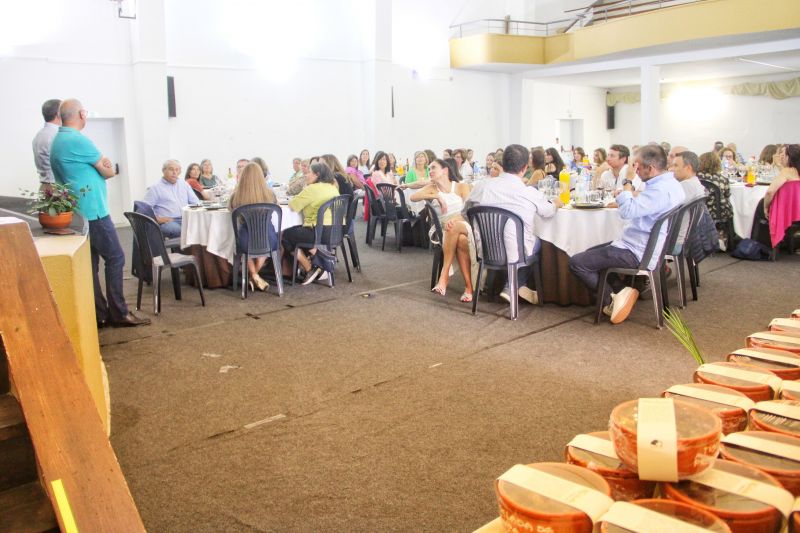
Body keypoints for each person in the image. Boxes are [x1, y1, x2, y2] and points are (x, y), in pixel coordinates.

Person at [50, 98, 150, 327]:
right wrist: (104, 166)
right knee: (116, 257)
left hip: (77, 212)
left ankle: (100, 313)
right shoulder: (77, 140)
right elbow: (109, 171)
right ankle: (119, 312)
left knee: (91, 264)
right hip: (93, 212)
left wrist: (102, 165)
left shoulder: (58, 140)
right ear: (81, 115)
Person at [569, 145, 685, 324]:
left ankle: (610, 300)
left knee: (577, 263)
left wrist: (627, 182)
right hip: (646, 245)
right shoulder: (671, 185)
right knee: (591, 254)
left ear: (651, 168)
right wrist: (634, 194)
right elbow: (650, 203)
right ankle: (622, 292)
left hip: (637, 251)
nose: (635, 170)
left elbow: (627, 212)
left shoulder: (659, 190)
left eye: (637, 166)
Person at [467, 144, 561, 305]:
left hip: (485, 249)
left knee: (523, 240)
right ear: (524, 168)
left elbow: (466, 212)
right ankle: (513, 286)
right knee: (537, 241)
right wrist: (556, 203)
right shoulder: (528, 192)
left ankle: (508, 287)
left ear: (502, 164)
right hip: (516, 252)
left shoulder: (481, 186)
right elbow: (548, 212)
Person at [410, 159, 474, 302]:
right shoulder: (432, 188)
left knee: (455, 228)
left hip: (463, 223)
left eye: (434, 168)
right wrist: (436, 196)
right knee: (461, 240)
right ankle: (469, 287)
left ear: (445, 170)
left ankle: (444, 276)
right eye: (429, 169)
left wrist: (455, 219)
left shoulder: (461, 186)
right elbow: (413, 197)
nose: (430, 171)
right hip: (443, 229)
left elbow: (468, 211)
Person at [282, 162, 340, 285]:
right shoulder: (333, 188)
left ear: (317, 175)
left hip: (317, 232)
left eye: (309, 172)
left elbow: (293, 205)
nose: (306, 175)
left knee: (286, 235)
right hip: (335, 231)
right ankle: (321, 260)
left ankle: (310, 268)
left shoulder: (312, 189)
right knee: (298, 233)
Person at [229, 162, 279, 292]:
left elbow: (231, 212)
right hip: (269, 239)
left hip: (246, 241)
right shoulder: (270, 194)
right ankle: (255, 275)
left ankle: (254, 275)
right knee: (266, 243)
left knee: (245, 249)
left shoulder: (236, 196)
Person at [143, 159, 199, 238]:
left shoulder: (184, 184)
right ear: (163, 170)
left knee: (204, 226)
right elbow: (144, 209)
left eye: (177, 170)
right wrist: (158, 219)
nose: (174, 172)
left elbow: (196, 202)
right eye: (171, 169)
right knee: (176, 230)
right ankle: (183, 245)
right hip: (169, 221)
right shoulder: (155, 188)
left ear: (180, 171)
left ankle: (193, 246)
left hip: (186, 218)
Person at [697, 151, 733, 246]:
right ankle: (726, 239)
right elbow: (727, 195)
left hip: (699, 211)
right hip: (719, 211)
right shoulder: (723, 179)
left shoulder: (695, 178)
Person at [32, 98, 62, 191]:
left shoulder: (39, 134)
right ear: (58, 114)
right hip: (56, 188)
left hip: (45, 187)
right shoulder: (57, 135)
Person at [764, 144, 800, 218]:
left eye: (783, 155)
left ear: (789, 157)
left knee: (758, 207)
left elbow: (770, 192)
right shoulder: (796, 171)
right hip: (796, 209)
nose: (780, 157)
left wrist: (766, 207)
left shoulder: (787, 171)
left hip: (785, 210)